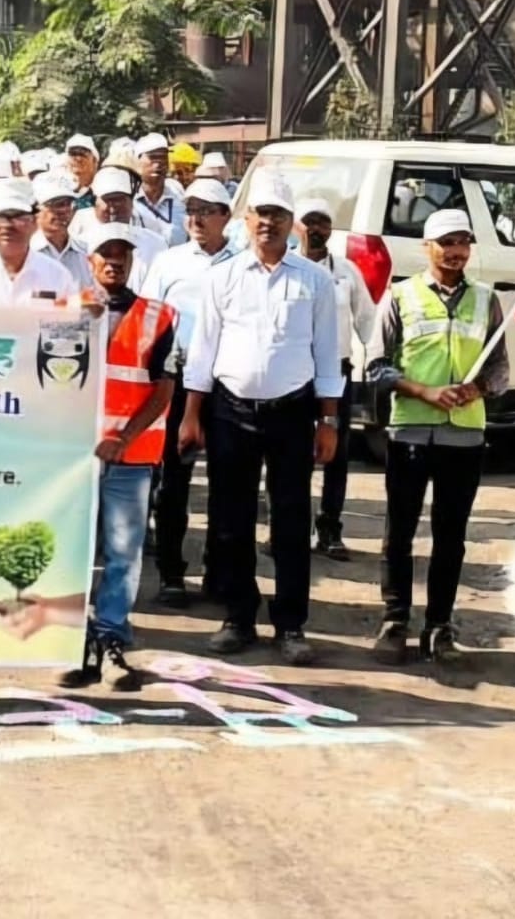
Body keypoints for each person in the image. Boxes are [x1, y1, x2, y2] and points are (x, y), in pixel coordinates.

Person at [180, 170, 342, 665]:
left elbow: (327, 354)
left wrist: (329, 421)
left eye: (278, 214)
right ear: (246, 219)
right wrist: (191, 415)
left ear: (292, 223)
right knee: (231, 519)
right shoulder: (222, 277)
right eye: (261, 213)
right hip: (230, 411)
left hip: (292, 412)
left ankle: (290, 624)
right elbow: (203, 352)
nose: (268, 222)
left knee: (291, 520)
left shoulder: (316, 281)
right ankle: (238, 617)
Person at [365, 209, 511, 665]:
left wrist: (477, 389)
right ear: (426, 247)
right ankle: (395, 621)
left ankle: (439, 627)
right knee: (400, 532)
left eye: (463, 242)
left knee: (451, 535)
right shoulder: (400, 296)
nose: (456, 251)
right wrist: (424, 391)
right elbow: (376, 367)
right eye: (446, 242)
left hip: (463, 436)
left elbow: (500, 369)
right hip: (409, 430)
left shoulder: (486, 300)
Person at [68, 223, 176, 687]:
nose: (114, 260)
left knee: (123, 554)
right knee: (72, 552)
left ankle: (111, 637)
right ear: (89, 261)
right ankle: (74, 640)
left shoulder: (159, 317)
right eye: (105, 253)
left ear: (132, 261)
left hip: (131, 457)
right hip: (75, 457)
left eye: (122, 254)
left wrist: (123, 439)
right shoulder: (65, 311)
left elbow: (163, 390)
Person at [140, 178, 237, 606]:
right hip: (177, 383)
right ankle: (171, 574)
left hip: (227, 386)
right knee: (173, 484)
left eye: (206, 210)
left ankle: (218, 572)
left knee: (226, 484)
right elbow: (148, 323)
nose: (196, 218)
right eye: (191, 209)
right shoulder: (169, 262)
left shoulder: (244, 262)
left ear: (226, 216)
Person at [296, 196, 376, 560]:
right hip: (295, 373)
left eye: (323, 222)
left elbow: (367, 320)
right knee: (290, 453)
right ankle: (290, 528)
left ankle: (330, 529)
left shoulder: (346, 271)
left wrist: (377, 363)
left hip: (338, 372)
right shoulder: (286, 267)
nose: (316, 229)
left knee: (337, 454)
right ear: (297, 226)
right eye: (309, 221)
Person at [75, 167, 168, 291]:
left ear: (131, 202)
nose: (114, 206)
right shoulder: (80, 244)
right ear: (95, 203)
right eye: (107, 200)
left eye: (120, 199)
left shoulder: (156, 243)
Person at [31, 174, 93, 290]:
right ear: (36, 210)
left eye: (68, 203)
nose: (64, 210)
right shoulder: (26, 253)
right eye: (55, 204)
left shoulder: (85, 252)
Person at [135, 134, 187, 246]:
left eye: (163, 157)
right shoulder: (130, 201)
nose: (158, 163)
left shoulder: (178, 195)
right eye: (153, 157)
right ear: (137, 161)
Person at [65, 135, 98, 210]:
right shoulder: (60, 189)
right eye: (73, 154)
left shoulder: (102, 189)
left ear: (94, 161)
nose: (78, 159)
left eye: (83, 155)